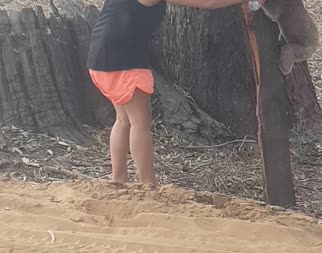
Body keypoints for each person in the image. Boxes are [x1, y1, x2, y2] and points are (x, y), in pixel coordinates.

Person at [87, 0, 251, 187]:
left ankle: (118, 178)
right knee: (140, 123)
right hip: (124, 60)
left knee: (123, 119)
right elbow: (209, 2)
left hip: (101, 57)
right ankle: (148, 183)